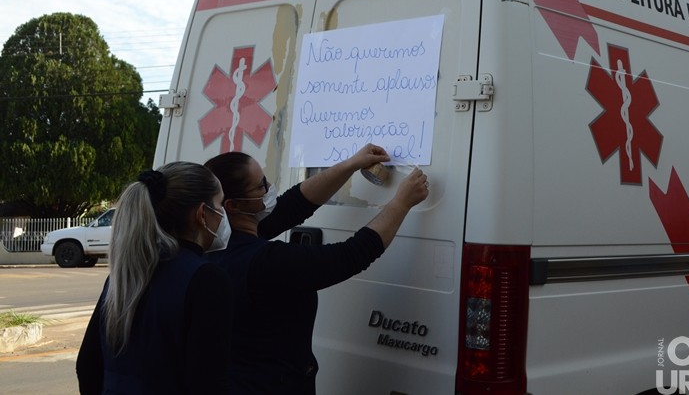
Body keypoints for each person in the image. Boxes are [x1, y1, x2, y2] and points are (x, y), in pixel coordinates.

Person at [204, 143, 429, 395]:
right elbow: (349, 256)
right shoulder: (262, 261)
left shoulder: (216, 240)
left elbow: (294, 204)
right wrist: (401, 202)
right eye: (261, 187)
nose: (269, 191)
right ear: (233, 206)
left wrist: (350, 164)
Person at [76, 161, 235, 395]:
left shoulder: (122, 276)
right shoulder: (206, 279)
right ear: (202, 214)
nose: (223, 214)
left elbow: (88, 367)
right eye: (220, 204)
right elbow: (207, 381)